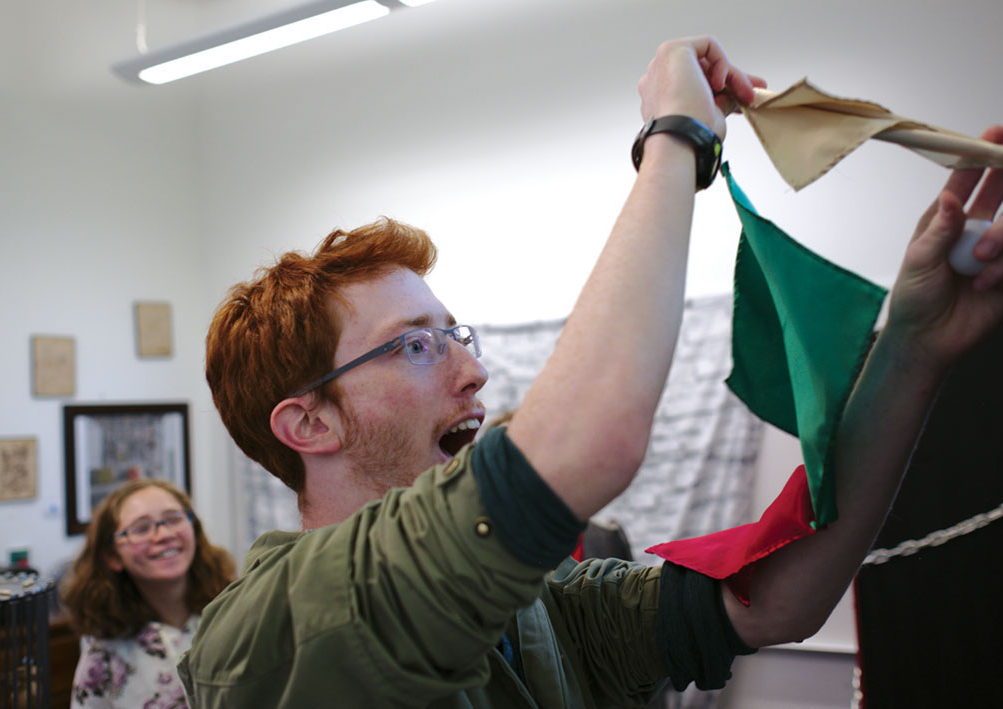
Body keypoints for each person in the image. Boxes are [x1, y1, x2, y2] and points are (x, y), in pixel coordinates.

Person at [180, 36, 1003, 707]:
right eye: (417, 345)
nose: (473, 369)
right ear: (309, 423)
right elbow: (591, 441)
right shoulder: (270, 628)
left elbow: (775, 600)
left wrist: (915, 345)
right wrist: (676, 137)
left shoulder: (539, 602)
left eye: (455, 333)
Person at [61, 479, 235, 708]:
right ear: (112, 556)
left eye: (174, 519)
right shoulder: (104, 652)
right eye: (142, 528)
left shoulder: (234, 612)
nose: (163, 534)